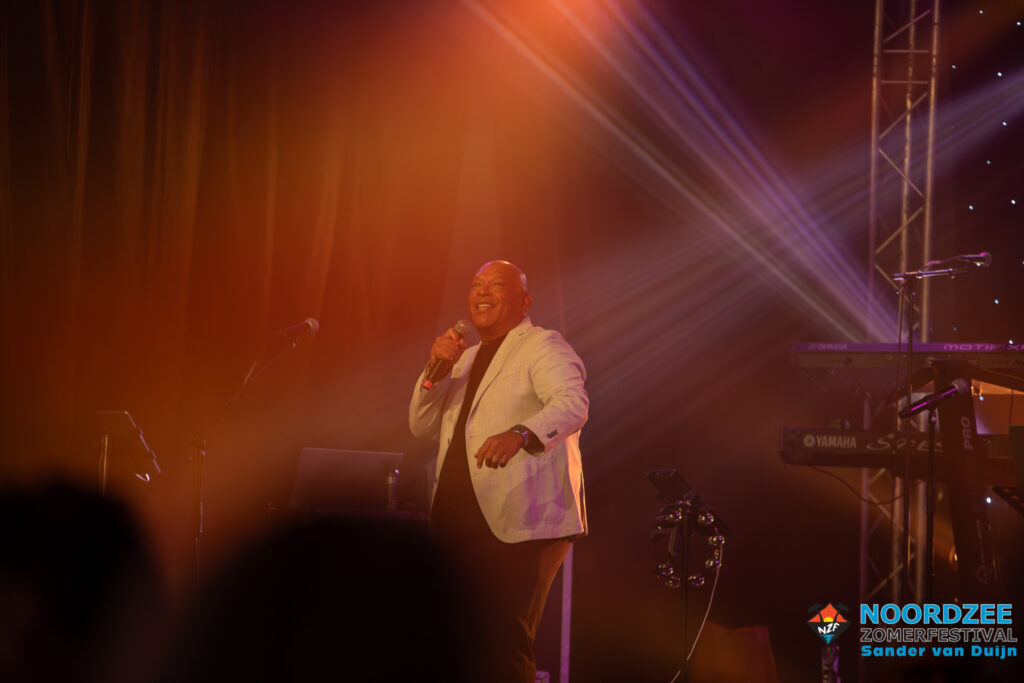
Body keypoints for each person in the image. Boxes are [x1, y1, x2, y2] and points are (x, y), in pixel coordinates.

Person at [409, 260, 588, 683]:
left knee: (503, 643)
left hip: (520, 521)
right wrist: (433, 371)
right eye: (476, 285)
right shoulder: (464, 358)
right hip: (457, 521)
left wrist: (521, 433)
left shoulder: (542, 345)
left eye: (496, 285)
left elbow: (572, 404)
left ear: (524, 300)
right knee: (457, 643)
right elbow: (422, 426)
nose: (483, 292)